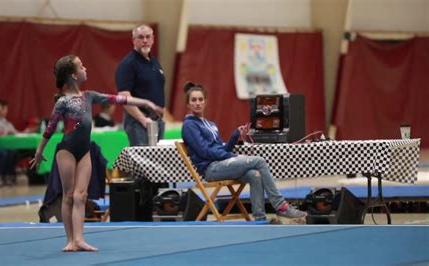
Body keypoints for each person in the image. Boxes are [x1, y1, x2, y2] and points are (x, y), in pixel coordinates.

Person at [29, 55, 162, 252]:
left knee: (81, 196)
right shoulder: (63, 102)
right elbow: (49, 129)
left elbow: (118, 98)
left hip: (84, 151)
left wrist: (146, 103)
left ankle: (80, 239)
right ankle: (70, 241)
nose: (85, 68)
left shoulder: (89, 96)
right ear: (74, 75)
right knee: (68, 196)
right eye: (82, 66)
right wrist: (39, 152)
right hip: (66, 151)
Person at [181, 82, 307, 222]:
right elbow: (205, 152)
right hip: (211, 169)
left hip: (221, 164)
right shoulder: (189, 125)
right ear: (188, 104)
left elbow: (221, 149)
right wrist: (233, 156)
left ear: (205, 102)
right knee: (259, 161)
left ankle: (260, 219)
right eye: (193, 100)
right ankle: (281, 206)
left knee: (255, 175)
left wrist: (235, 136)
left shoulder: (211, 124)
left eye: (200, 99)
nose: (197, 103)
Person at [115, 24, 166, 146]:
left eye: (148, 37)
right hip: (138, 121)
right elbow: (123, 97)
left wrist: (163, 117)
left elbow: (158, 91)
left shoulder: (154, 62)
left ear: (152, 39)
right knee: (143, 162)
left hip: (157, 120)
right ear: (134, 40)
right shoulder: (128, 64)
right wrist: (142, 119)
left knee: (158, 161)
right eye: (140, 37)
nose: (145, 40)